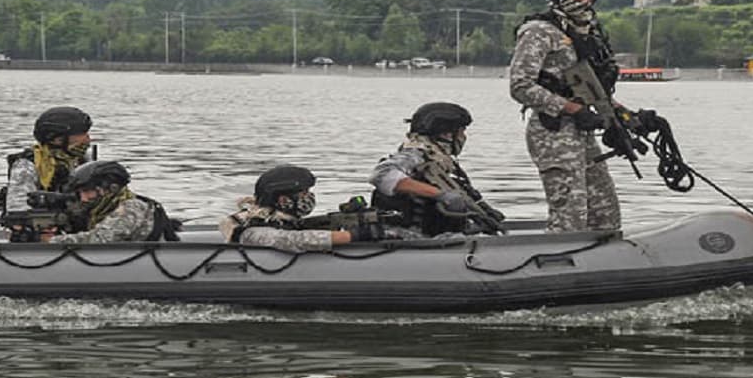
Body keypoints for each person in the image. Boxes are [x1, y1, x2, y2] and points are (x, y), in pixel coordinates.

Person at [509, 0, 624, 233]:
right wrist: (572, 109)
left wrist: (624, 114)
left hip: (584, 133)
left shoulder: (589, 32)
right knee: (569, 216)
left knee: (605, 213)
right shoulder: (539, 31)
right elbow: (520, 85)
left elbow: (593, 88)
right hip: (553, 133)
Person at [368, 102, 503, 236]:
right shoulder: (415, 154)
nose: (464, 137)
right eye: (461, 131)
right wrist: (439, 195)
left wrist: (485, 211)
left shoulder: (442, 161)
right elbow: (381, 175)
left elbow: (465, 193)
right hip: (408, 237)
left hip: (439, 235)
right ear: (446, 134)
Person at [220, 165, 387, 253]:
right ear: (284, 200)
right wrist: (353, 236)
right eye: (304, 193)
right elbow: (294, 240)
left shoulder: (279, 221)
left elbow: (299, 228)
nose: (309, 197)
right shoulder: (255, 231)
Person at [45, 160, 180, 244]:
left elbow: (100, 239)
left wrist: (50, 241)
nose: (83, 198)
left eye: (87, 191)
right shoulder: (103, 208)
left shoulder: (131, 207)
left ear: (110, 189)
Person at [4, 105, 94, 214]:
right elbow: (18, 208)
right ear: (57, 139)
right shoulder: (27, 165)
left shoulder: (83, 159)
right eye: (80, 134)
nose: (87, 139)